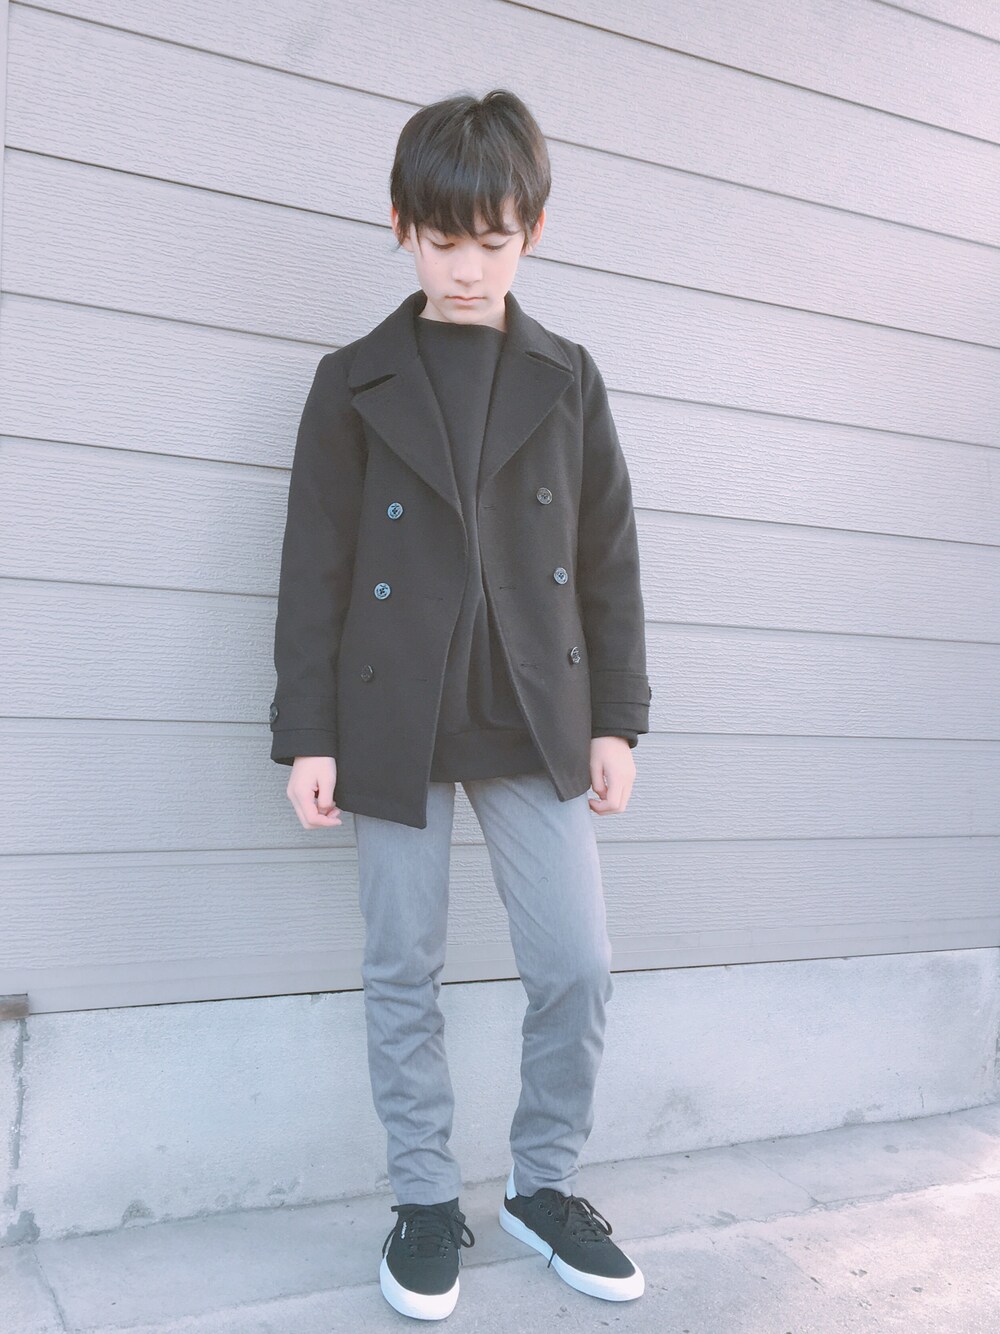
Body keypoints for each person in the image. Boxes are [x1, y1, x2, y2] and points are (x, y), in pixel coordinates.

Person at [268, 88, 651, 1321]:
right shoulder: (351, 381)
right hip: (391, 715)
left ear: (532, 230)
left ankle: (543, 1184)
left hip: (536, 716)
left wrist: (615, 718)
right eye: (444, 239)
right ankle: (427, 1198)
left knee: (576, 963)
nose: (468, 267)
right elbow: (315, 567)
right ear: (402, 227)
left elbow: (606, 557)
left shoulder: (567, 376)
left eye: (492, 239)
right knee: (402, 969)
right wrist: (308, 734)